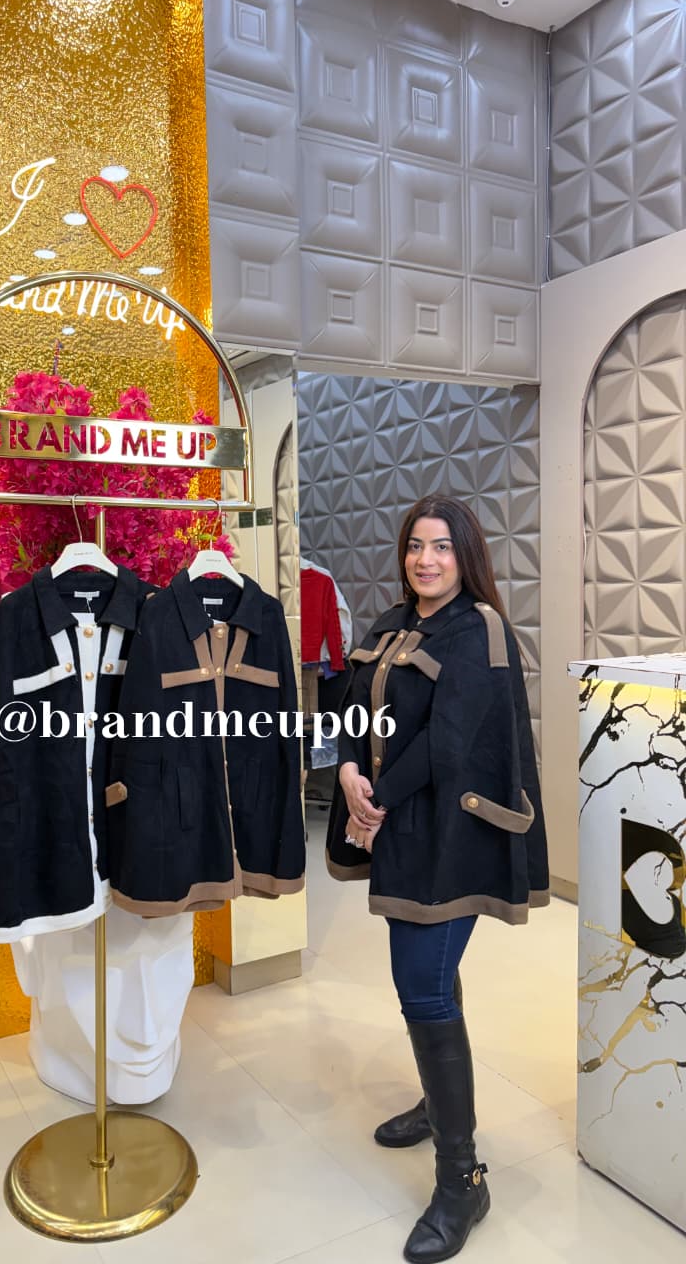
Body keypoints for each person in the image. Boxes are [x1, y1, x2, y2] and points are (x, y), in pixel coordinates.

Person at [326, 494, 549, 1264]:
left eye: (443, 547)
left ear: (466, 555)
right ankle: (437, 1101)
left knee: (421, 985)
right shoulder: (392, 623)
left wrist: (374, 799)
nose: (426, 559)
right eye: (416, 545)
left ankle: (463, 1180)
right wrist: (348, 769)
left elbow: (448, 740)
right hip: (401, 832)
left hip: (453, 839)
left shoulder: (478, 628)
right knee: (433, 982)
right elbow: (353, 704)